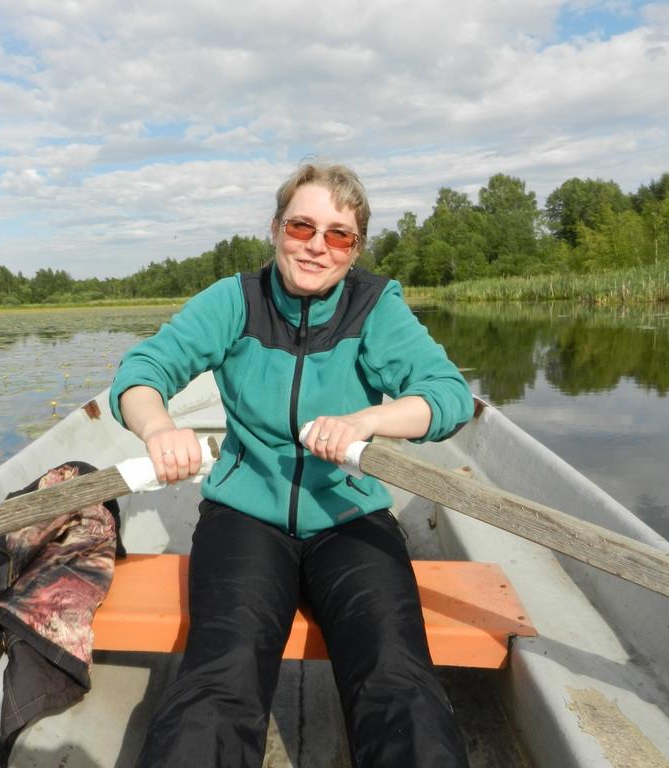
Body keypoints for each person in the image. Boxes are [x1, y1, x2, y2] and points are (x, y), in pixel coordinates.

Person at [109, 162, 473, 767]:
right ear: (277, 228)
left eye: (338, 234)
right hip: (245, 521)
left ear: (355, 250)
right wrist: (159, 427)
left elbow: (448, 395)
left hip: (351, 517)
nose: (316, 246)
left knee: (397, 677)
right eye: (302, 225)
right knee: (221, 678)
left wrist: (365, 422)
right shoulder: (235, 300)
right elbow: (141, 373)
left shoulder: (375, 306)